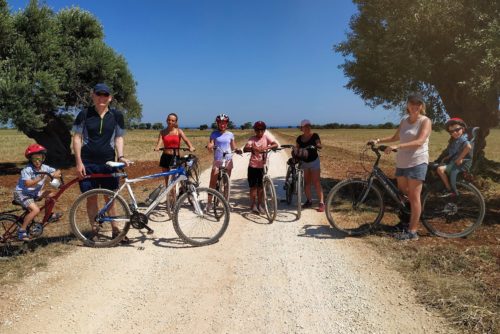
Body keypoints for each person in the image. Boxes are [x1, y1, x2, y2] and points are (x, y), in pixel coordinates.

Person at [72, 83, 131, 242]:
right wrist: (78, 162)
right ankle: (95, 231)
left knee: (110, 197)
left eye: (105, 95)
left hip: (108, 163)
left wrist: (121, 156)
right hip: (87, 162)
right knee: (91, 198)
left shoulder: (116, 115)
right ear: (93, 95)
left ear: (110, 98)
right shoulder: (84, 114)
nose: (102, 98)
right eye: (99, 94)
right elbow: (77, 138)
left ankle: (116, 230)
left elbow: (119, 137)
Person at [369, 92, 432, 241]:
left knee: (414, 197)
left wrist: (398, 146)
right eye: (412, 103)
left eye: (418, 104)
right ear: (407, 105)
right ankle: (405, 222)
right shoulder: (404, 120)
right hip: (402, 162)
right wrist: (378, 140)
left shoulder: (425, 121)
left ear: (421, 106)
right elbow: (395, 137)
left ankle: (412, 231)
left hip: (417, 161)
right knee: (403, 195)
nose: (415, 106)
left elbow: (420, 141)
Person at [14, 144, 62, 241]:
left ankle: (48, 216)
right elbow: (27, 184)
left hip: (34, 193)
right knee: (35, 210)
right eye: (34, 158)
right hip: (22, 193)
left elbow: (57, 171)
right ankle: (21, 230)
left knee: (51, 195)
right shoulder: (27, 170)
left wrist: (56, 174)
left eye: (39, 158)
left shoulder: (44, 168)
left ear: (43, 158)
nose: (37, 161)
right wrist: (40, 177)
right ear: (30, 159)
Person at [243, 121, 279, 214]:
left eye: (261, 130)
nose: (259, 132)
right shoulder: (252, 139)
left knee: (261, 187)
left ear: (264, 130)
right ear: (255, 131)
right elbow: (245, 148)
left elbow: (275, 144)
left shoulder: (266, 137)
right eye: (257, 130)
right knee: (253, 188)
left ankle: (260, 204)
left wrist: (265, 148)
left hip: (262, 166)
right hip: (253, 166)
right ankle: (253, 205)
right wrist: (252, 148)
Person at [154, 112, 195, 184]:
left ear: (175, 122)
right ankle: (168, 194)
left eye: (173, 120)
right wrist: (157, 147)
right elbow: (159, 142)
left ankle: (174, 195)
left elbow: (186, 140)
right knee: (166, 180)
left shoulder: (179, 131)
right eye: (169, 120)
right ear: (166, 120)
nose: (170, 122)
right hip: (165, 157)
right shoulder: (162, 132)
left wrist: (191, 146)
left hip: (175, 157)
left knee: (173, 179)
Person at [435, 117, 472, 197]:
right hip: (454, 162)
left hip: (459, 164)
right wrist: (448, 157)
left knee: (440, 169)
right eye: (452, 131)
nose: (455, 133)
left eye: (457, 130)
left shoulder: (462, 139)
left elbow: (468, 147)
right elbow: (455, 151)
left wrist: (460, 158)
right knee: (439, 166)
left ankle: (449, 189)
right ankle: (445, 185)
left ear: (463, 129)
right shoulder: (456, 140)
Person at [206, 113, 241, 192]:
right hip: (218, 159)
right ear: (218, 124)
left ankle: (225, 201)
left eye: (224, 123)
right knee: (213, 182)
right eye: (220, 123)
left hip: (228, 159)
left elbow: (233, 147)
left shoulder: (230, 134)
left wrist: (237, 150)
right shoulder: (214, 134)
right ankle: (209, 203)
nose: (222, 125)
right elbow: (211, 143)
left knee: (226, 183)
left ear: (227, 124)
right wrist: (210, 146)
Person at [296, 119, 324, 212]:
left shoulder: (314, 135)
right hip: (305, 162)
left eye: (308, 126)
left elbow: (319, 143)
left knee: (316, 182)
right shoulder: (299, 139)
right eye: (305, 126)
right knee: (307, 183)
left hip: (314, 161)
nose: (307, 128)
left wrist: (318, 146)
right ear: (302, 128)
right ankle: (309, 201)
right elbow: (297, 148)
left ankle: (321, 203)